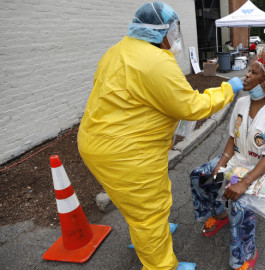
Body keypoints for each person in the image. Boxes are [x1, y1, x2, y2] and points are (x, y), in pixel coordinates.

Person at [77, 2, 243, 270]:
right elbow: (190, 106)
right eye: (173, 31)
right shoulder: (154, 61)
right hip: (126, 152)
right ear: (160, 31)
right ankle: (161, 265)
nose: (175, 38)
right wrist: (228, 89)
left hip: (99, 142)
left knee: (138, 204)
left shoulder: (118, 50)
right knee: (149, 212)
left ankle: (148, 237)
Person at [189, 49, 265, 270]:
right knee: (201, 175)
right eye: (248, 71)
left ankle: (244, 254)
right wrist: (221, 163)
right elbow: (232, 137)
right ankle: (218, 215)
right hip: (239, 160)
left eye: (253, 73)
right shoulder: (241, 103)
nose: (246, 76)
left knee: (241, 203)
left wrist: (245, 183)